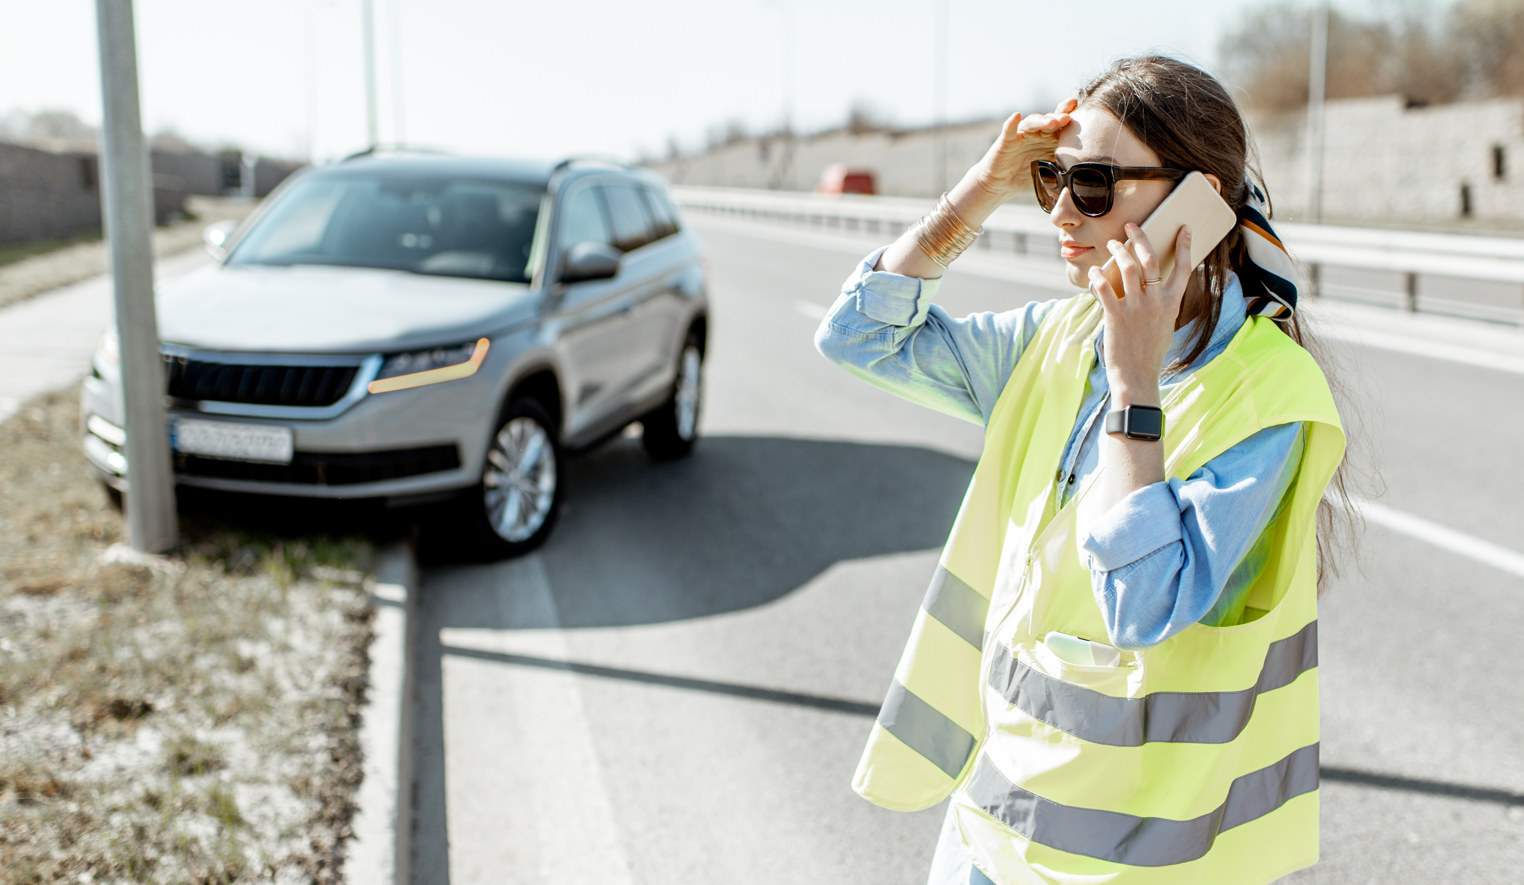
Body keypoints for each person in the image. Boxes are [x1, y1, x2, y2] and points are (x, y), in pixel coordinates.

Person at [815, 56, 1348, 885]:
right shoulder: (1055, 338)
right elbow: (859, 336)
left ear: (1199, 201)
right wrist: (979, 192)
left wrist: (1135, 386)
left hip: (1139, 862)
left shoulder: (1269, 398)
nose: (1063, 208)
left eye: (1094, 183)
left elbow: (1141, 605)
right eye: (1051, 179)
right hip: (990, 824)